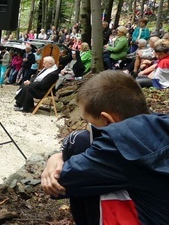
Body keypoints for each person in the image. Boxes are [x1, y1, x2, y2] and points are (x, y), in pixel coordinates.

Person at [41, 71, 169, 224]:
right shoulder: (160, 125)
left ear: (108, 120)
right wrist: (57, 155)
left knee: (80, 143)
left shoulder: (120, 147)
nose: (86, 128)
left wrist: (62, 152)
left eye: (89, 123)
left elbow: (61, 183)